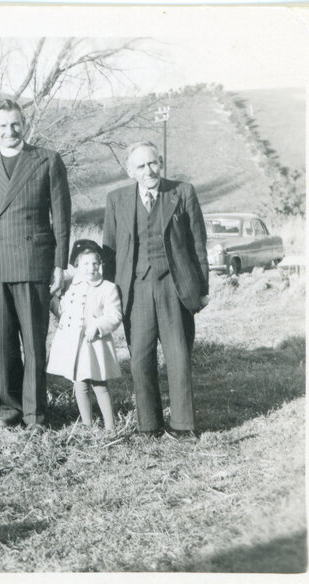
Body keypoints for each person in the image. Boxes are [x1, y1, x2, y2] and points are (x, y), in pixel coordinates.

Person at [0, 99, 71, 429]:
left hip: (34, 261)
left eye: (15, 124)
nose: (9, 131)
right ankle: (8, 411)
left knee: (34, 343)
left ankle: (35, 413)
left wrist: (60, 264)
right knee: (3, 343)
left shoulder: (47, 159)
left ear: (24, 124)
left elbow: (62, 218)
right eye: (2, 125)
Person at [102, 141, 209, 440]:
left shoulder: (182, 192)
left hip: (175, 287)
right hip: (135, 290)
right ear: (130, 171)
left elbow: (198, 243)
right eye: (140, 166)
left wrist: (202, 288)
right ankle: (149, 425)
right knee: (140, 359)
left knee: (179, 356)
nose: (148, 171)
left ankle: (183, 425)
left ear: (160, 162)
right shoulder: (116, 199)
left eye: (152, 163)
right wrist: (106, 296)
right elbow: (109, 252)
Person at [46, 240, 122, 432]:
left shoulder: (108, 288)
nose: (91, 268)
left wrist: (97, 326)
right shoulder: (72, 287)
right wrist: (51, 298)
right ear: (77, 265)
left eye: (95, 263)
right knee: (80, 385)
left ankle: (110, 427)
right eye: (85, 264)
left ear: (100, 264)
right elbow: (62, 310)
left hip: (95, 345)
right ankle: (88, 426)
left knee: (99, 384)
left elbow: (115, 316)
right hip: (76, 346)